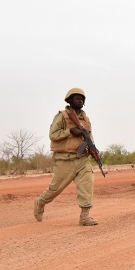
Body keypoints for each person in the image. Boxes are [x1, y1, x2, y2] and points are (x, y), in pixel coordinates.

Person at [33, 88, 99, 226]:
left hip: (82, 159)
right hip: (64, 159)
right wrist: (70, 131)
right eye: (77, 98)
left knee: (87, 184)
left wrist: (93, 148)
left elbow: (89, 136)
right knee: (55, 188)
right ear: (69, 100)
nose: (80, 100)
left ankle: (85, 216)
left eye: (82, 99)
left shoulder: (85, 119)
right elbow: (53, 135)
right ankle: (40, 202)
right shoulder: (62, 116)